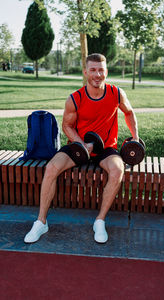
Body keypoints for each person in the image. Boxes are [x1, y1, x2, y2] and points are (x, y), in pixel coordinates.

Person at [24, 53, 139, 244]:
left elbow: (129, 112)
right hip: (79, 147)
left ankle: (99, 221)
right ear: (86, 72)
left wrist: (135, 138)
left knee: (118, 169)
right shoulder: (75, 99)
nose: (97, 74)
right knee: (51, 167)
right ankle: (41, 222)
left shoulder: (116, 93)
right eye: (93, 70)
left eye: (101, 70)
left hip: (106, 149)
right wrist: (80, 143)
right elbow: (67, 126)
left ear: (106, 72)